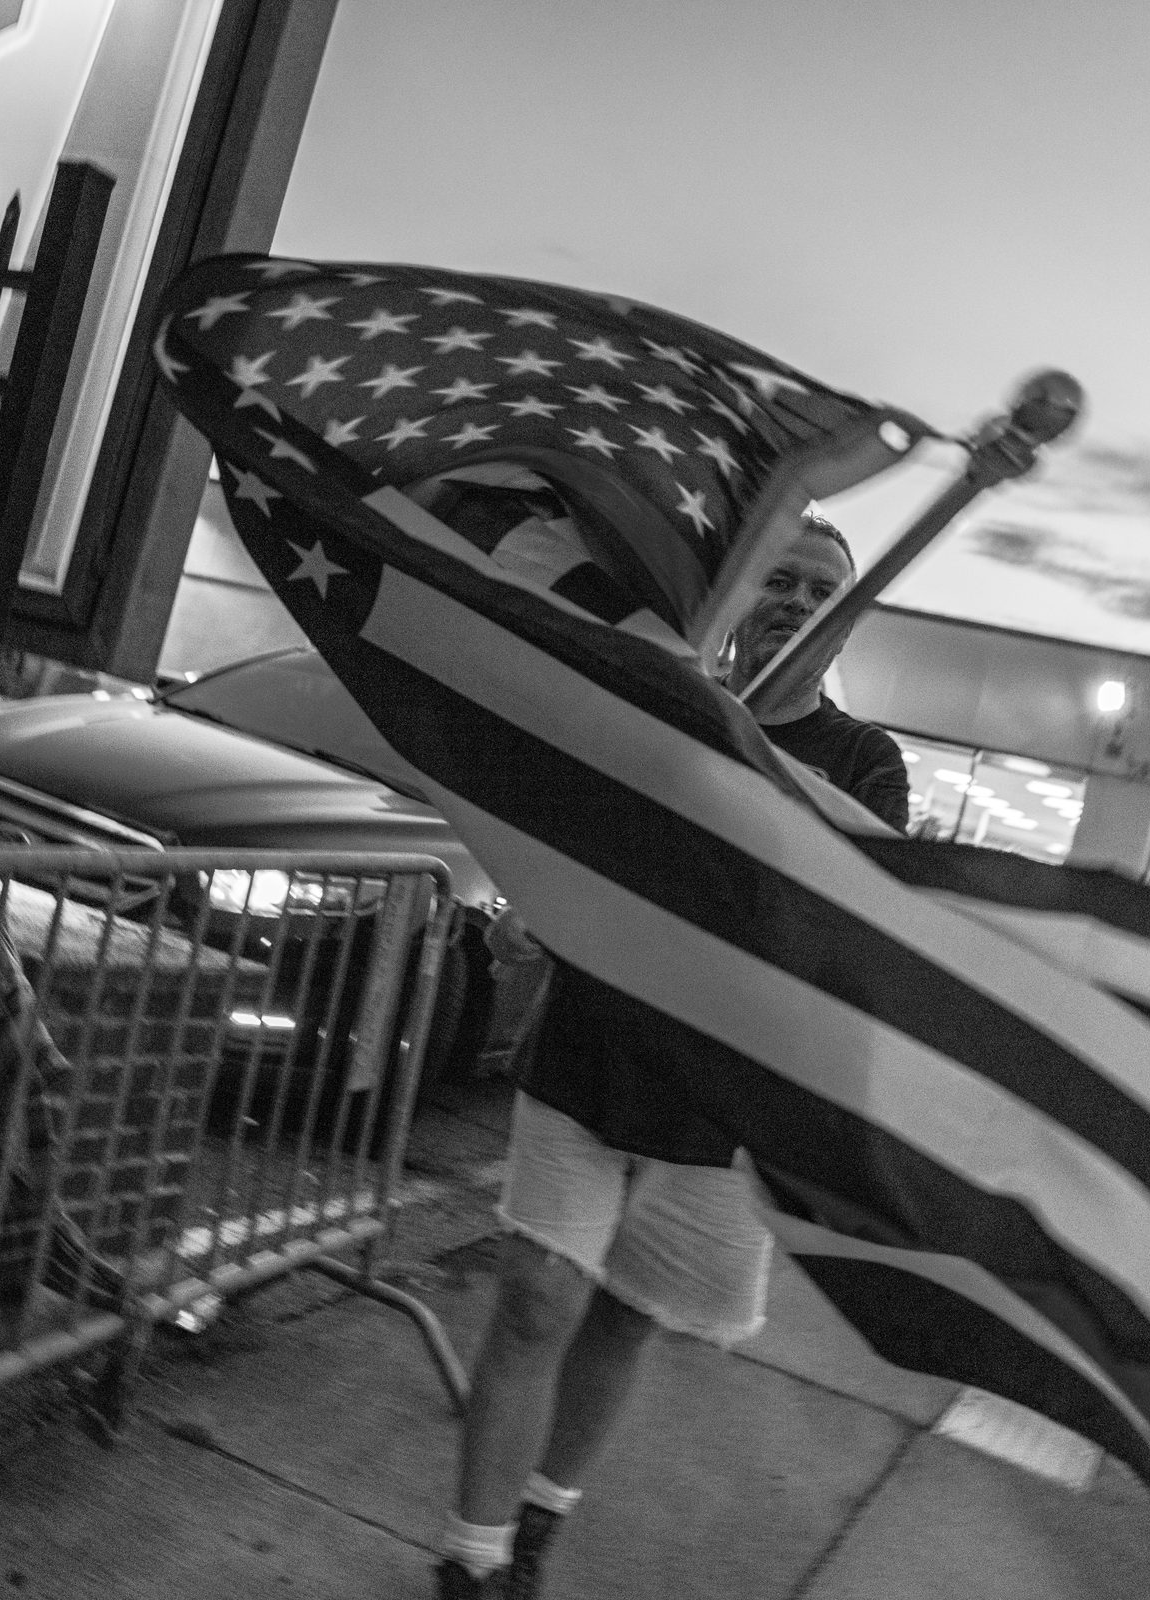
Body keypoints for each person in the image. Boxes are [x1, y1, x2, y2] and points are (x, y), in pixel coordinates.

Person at [436, 511, 914, 1598]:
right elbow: (566, 825)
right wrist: (528, 897)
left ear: (849, 619)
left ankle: (542, 1523)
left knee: (628, 1312)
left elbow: (855, 916)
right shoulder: (659, 707)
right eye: (779, 578)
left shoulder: (861, 760)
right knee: (534, 1297)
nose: (795, 600)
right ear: (740, 599)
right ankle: (470, 1560)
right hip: (593, 1047)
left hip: (724, 1091)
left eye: (821, 588)